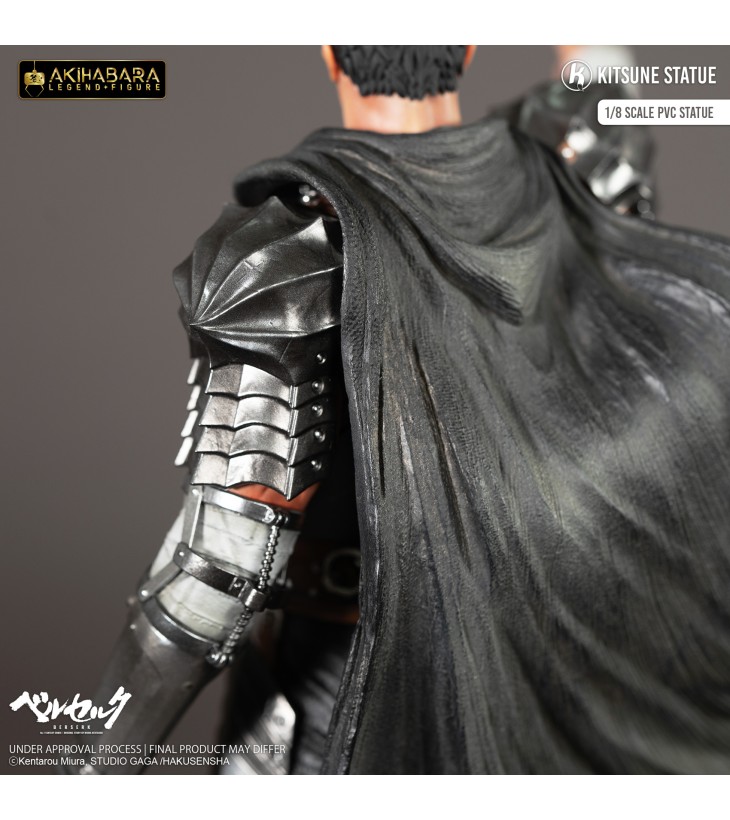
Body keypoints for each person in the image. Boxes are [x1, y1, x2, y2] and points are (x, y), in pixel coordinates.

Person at [68, 46, 730, 775]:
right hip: (546, 684)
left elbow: (213, 579)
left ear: (330, 53)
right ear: (469, 46)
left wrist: (92, 772)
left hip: (347, 704)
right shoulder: (568, 166)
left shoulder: (285, 258)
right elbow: (603, 82)